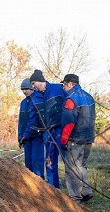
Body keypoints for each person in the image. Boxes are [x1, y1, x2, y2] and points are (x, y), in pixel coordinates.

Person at [60, 74, 96, 202]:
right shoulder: (89, 97)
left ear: (70, 84)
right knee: (82, 165)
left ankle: (75, 198)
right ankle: (86, 191)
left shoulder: (71, 99)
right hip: (89, 138)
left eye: (64, 85)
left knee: (72, 168)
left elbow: (68, 122)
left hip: (75, 139)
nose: (63, 88)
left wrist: (63, 140)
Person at [29, 69, 67, 188]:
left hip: (61, 130)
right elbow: (33, 117)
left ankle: (77, 189)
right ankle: (53, 189)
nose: (33, 87)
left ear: (40, 81)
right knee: (50, 161)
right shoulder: (35, 97)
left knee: (68, 159)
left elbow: (70, 104)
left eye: (33, 84)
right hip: (47, 132)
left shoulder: (58, 88)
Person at [18, 78, 45, 178]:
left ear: (32, 88)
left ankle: (40, 187)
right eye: (22, 89)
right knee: (28, 164)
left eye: (26, 89)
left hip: (36, 137)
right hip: (26, 138)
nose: (24, 91)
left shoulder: (38, 100)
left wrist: (26, 134)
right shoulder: (23, 103)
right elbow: (21, 121)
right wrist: (20, 136)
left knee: (36, 163)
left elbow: (33, 120)